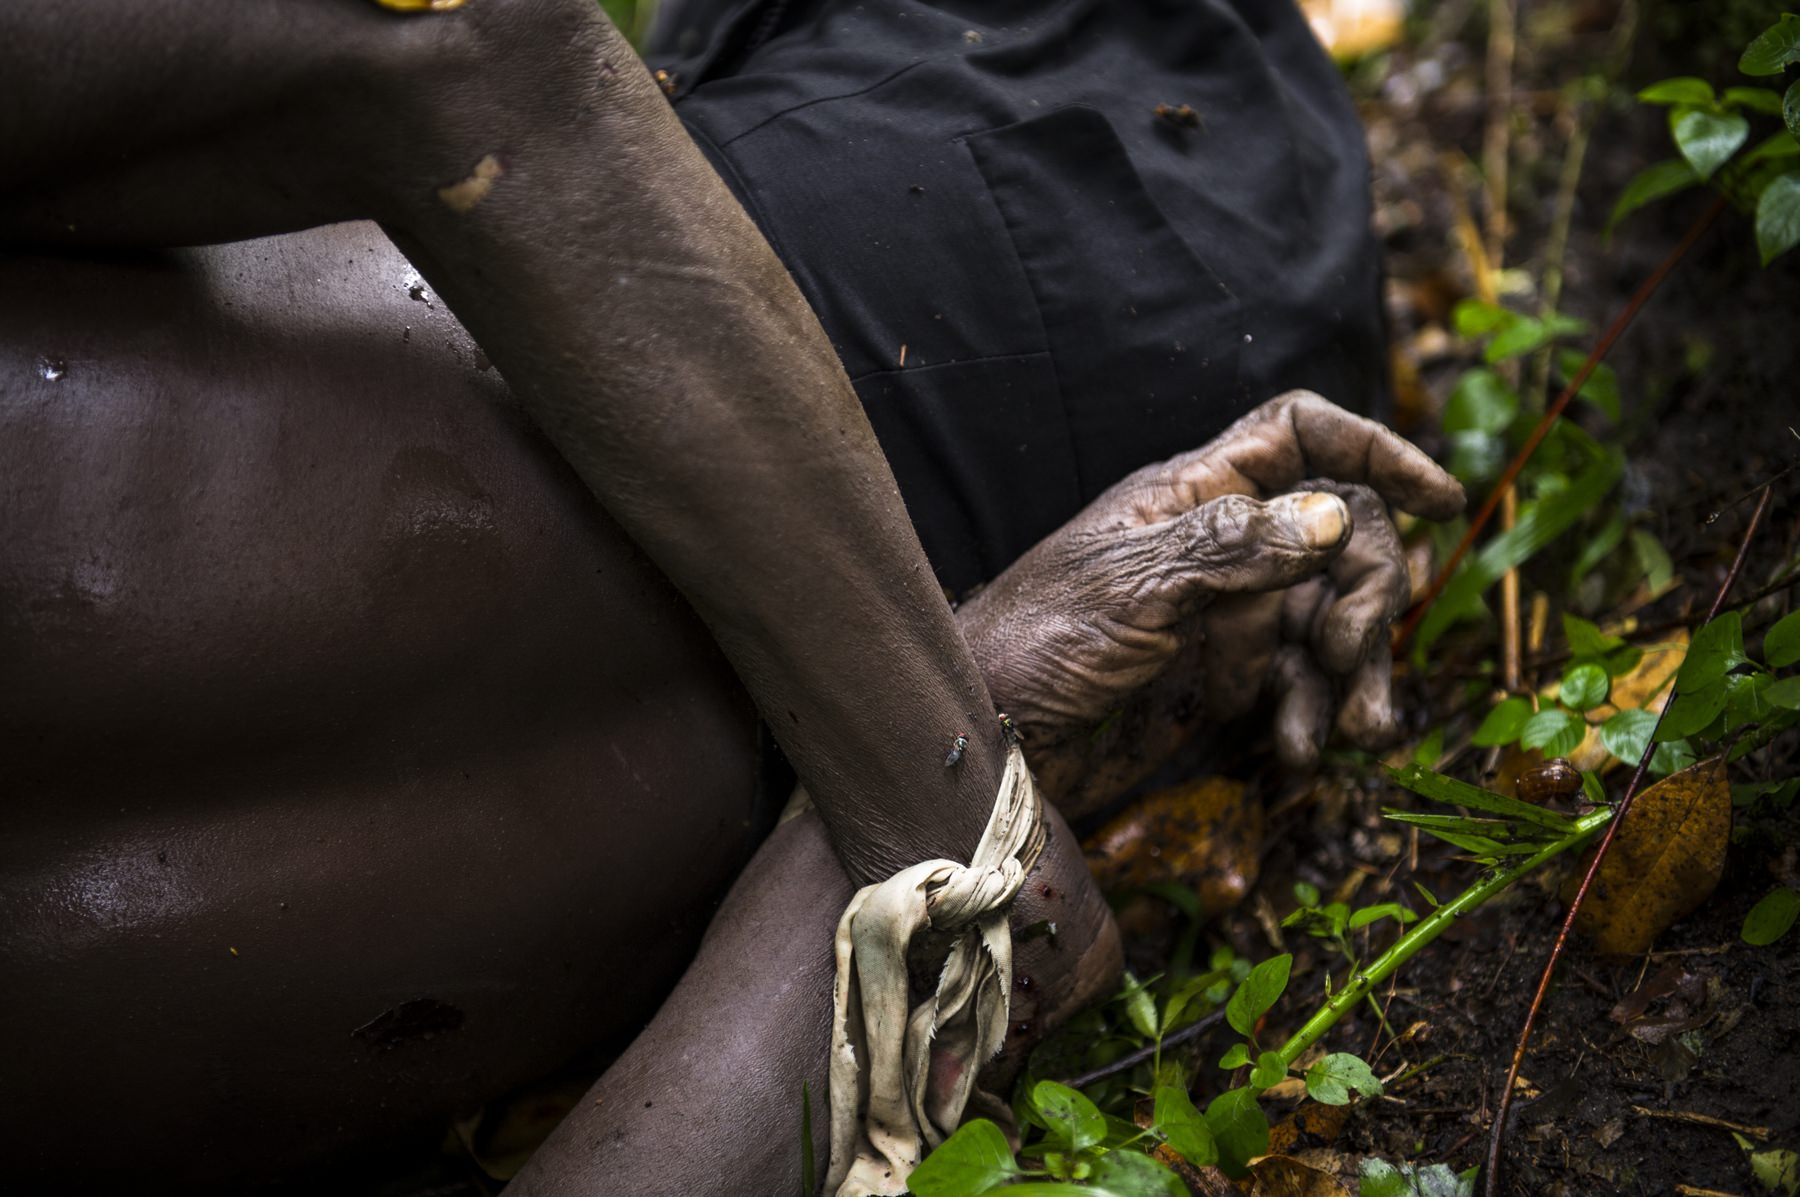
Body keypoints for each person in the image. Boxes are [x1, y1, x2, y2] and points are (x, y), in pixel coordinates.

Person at [0, 1, 1461, 1192]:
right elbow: (460, 45)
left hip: (785, 321)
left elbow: (451, 47)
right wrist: (968, 764)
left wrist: (956, 806)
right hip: (878, 295)